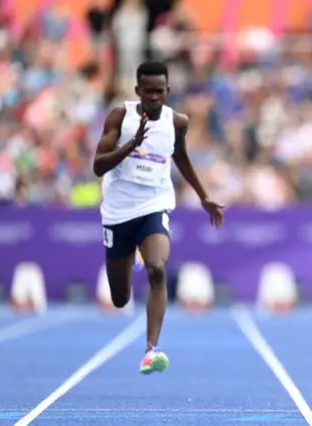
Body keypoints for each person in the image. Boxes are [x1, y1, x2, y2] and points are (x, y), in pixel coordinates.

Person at [93, 61, 225, 374]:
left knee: (157, 267)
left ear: (168, 91)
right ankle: (130, 253)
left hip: (154, 205)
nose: (154, 97)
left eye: (160, 91)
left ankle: (151, 351)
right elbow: (98, 166)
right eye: (148, 91)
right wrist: (132, 145)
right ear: (138, 91)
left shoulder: (177, 121)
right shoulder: (119, 116)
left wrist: (203, 195)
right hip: (117, 212)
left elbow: (181, 156)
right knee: (121, 298)